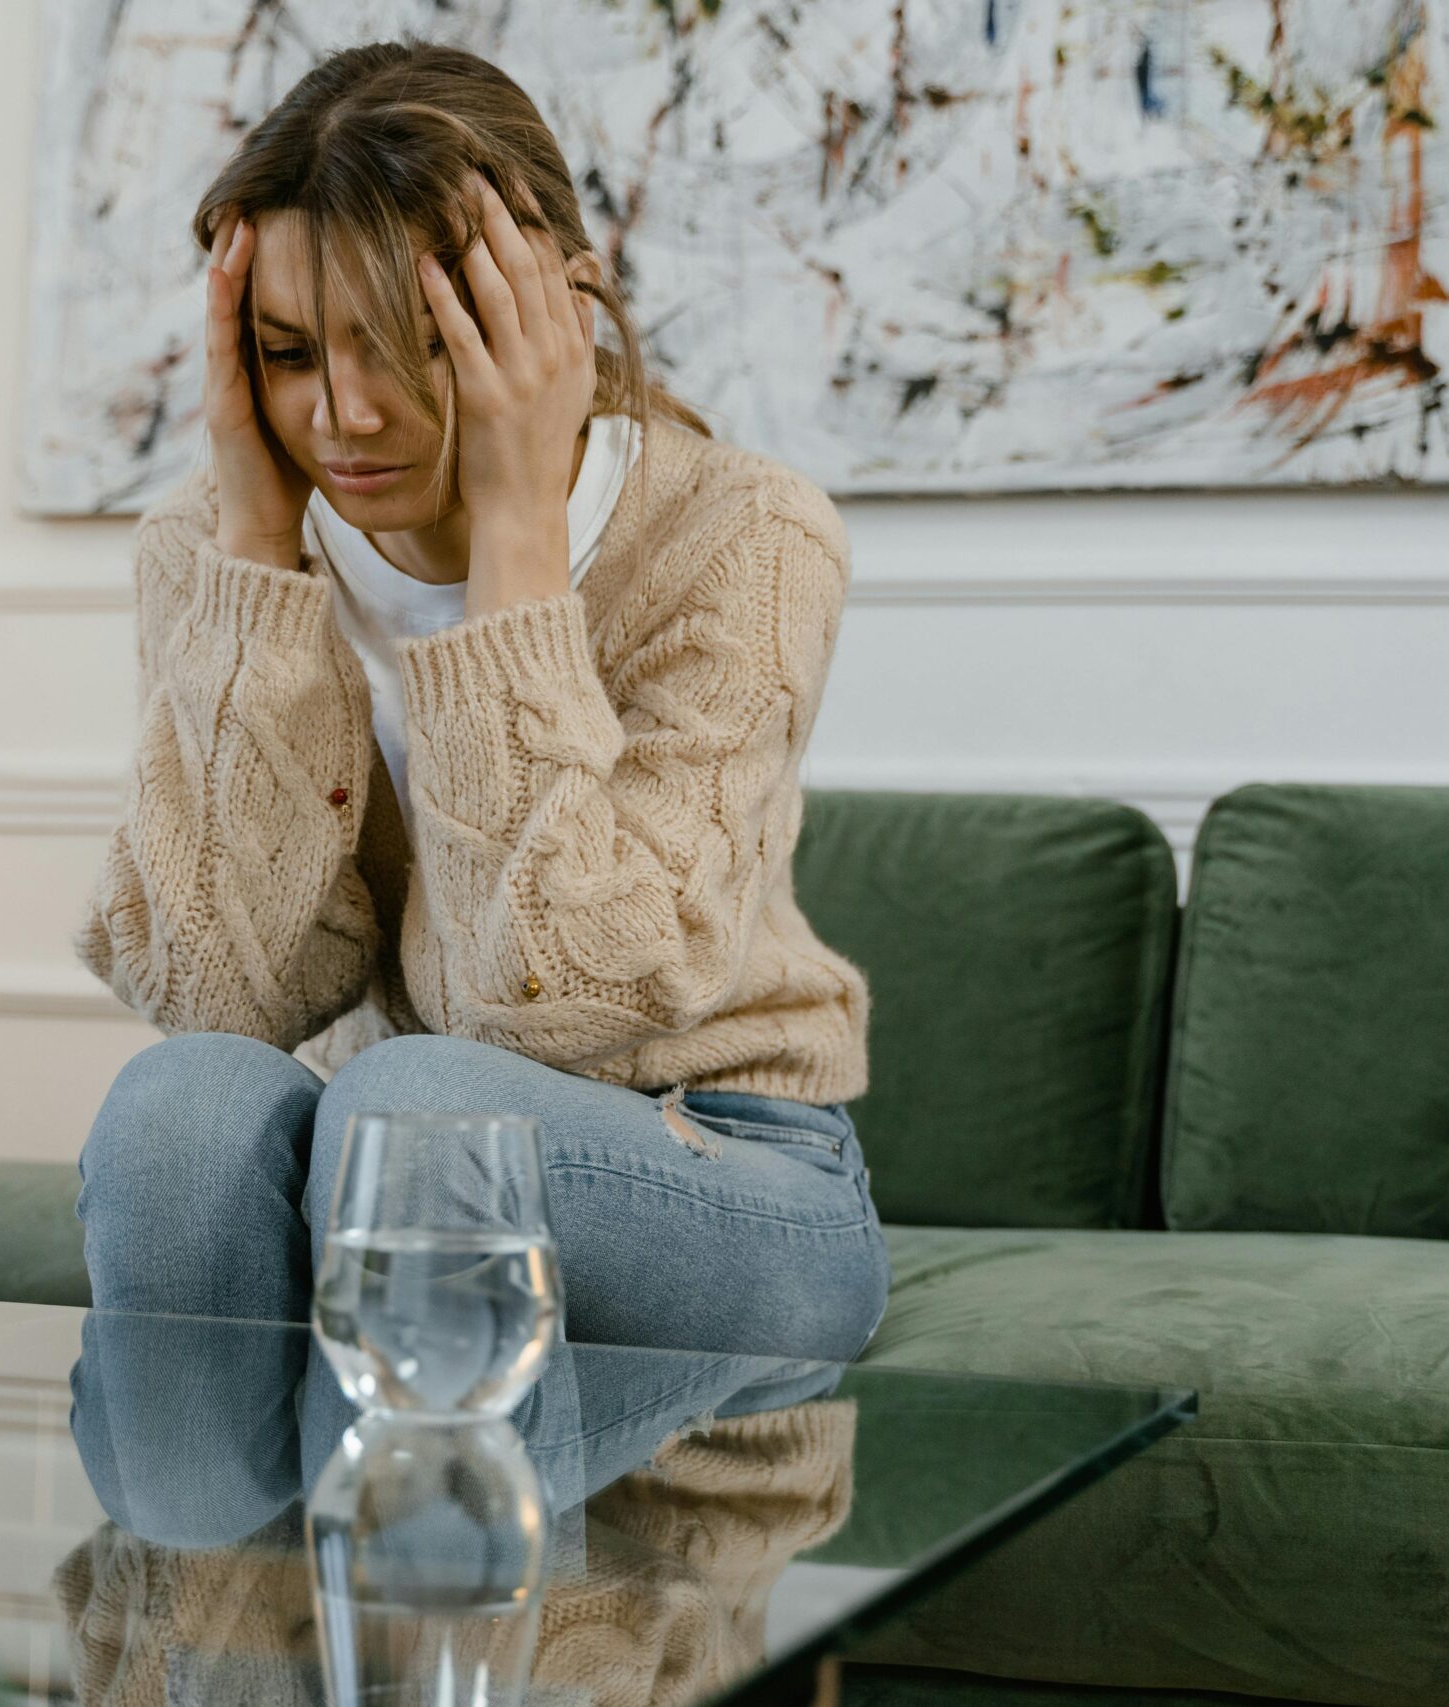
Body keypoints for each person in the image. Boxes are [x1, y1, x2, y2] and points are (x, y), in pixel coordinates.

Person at [72, 38, 886, 1364]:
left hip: (722, 1166)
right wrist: (254, 566)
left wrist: (517, 536)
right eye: (286, 352)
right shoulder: (210, 551)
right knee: (184, 1108)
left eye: (413, 349)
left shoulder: (746, 533)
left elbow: (559, 1004)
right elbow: (215, 992)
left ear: (558, 310)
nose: (344, 414)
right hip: (388, 1164)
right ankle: (215, 1570)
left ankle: (428, 1559)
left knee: (423, 1110)